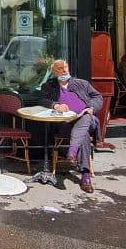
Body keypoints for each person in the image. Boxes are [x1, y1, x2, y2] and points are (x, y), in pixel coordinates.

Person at [38, 59, 102, 193]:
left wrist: (91, 107)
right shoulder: (49, 86)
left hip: (88, 119)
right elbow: (42, 100)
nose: (64, 71)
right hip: (66, 124)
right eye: (60, 69)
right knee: (83, 135)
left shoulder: (82, 84)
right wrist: (56, 105)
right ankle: (86, 177)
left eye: (65, 68)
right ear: (54, 73)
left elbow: (98, 97)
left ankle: (72, 151)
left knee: (86, 118)